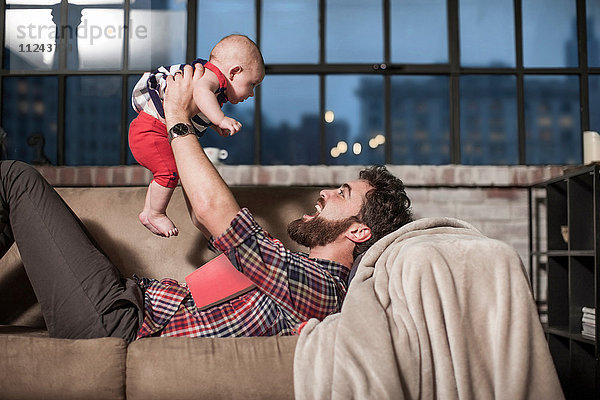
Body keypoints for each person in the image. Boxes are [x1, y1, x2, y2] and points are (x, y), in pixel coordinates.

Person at [0, 64, 412, 342]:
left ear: (359, 231)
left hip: (116, 321)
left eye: (342, 194)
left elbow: (213, 212)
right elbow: (205, 217)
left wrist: (177, 116)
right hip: (125, 301)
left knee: (15, 178)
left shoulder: (322, 287)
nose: (324, 192)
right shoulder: (290, 269)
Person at [129, 34, 265, 238]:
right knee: (169, 172)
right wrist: (220, 119)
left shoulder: (213, 85)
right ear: (234, 72)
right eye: (252, 84)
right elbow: (201, 93)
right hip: (151, 130)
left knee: (166, 171)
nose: (252, 94)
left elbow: (196, 106)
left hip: (152, 130)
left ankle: (149, 212)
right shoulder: (211, 77)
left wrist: (213, 125)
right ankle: (154, 212)